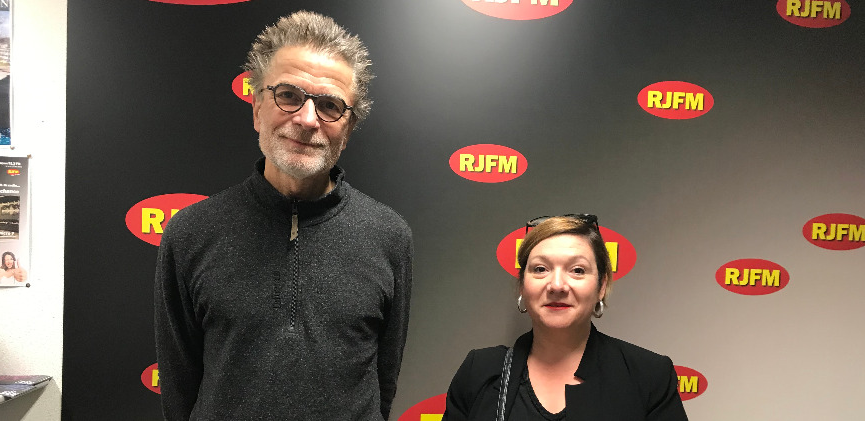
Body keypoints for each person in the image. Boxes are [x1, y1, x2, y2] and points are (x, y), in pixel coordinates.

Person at [153, 11, 413, 421]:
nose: (307, 119)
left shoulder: (389, 235)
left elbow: (385, 380)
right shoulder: (190, 232)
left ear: (347, 130)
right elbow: (179, 387)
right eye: (289, 95)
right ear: (257, 107)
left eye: (329, 105)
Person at [442, 215, 687, 420]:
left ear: (601, 286)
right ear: (522, 285)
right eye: (540, 269)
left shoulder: (649, 375)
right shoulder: (479, 371)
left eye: (577, 270)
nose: (557, 285)